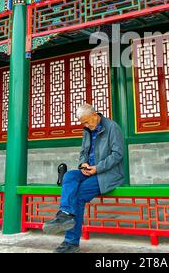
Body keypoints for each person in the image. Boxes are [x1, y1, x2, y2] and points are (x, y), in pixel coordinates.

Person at [43, 104, 125, 253]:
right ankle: (65, 214)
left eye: (87, 122)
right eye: (83, 123)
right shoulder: (87, 130)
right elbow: (83, 152)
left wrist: (97, 168)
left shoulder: (113, 127)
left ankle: (71, 242)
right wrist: (83, 164)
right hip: (90, 170)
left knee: (79, 195)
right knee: (69, 176)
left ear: (95, 115)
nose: (86, 125)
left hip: (107, 173)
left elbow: (118, 155)